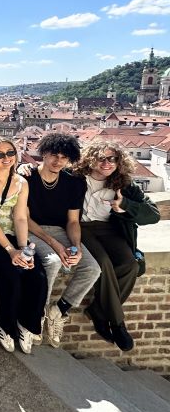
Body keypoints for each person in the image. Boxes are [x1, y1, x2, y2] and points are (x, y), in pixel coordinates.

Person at [74, 140, 159, 351]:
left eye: (112, 158)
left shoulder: (124, 184)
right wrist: (25, 167)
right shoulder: (75, 178)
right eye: (101, 158)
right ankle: (117, 323)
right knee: (103, 263)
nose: (107, 163)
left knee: (130, 264)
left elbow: (154, 215)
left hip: (109, 230)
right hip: (81, 227)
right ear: (90, 159)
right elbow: (47, 173)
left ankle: (99, 311)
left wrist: (126, 206)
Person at [23, 132, 100, 348]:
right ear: (44, 154)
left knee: (92, 269)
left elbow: (73, 221)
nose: (58, 161)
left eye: (64, 157)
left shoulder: (74, 182)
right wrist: (55, 245)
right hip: (32, 231)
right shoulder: (27, 178)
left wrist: (76, 246)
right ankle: (39, 312)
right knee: (53, 261)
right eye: (54, 155)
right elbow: (25, 220)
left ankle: (59, 310)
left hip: (60, 231)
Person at [0, 137, 47, 354]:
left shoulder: (21, 183)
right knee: (10, 276)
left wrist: (24, 250)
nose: (6, 158)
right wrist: (10, 251)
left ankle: (27, 324)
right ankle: (6, 325)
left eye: (10, 153)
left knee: (37, 275)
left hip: (13, 234)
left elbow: (21, 217)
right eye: (0, 154)